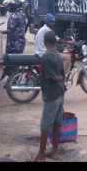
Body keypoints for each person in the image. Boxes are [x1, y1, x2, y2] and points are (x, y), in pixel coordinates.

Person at [34, 30, 66, 162]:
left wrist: (57, 78)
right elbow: (62, 75)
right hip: (60, 93)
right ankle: (54, 150)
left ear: (45, 42)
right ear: (55, 42)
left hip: (51, 94)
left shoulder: (46, 57)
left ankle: (41, 154)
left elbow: (51, 76)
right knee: (57, 123)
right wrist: (60, 80)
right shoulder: (58, 55)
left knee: (45, 125)